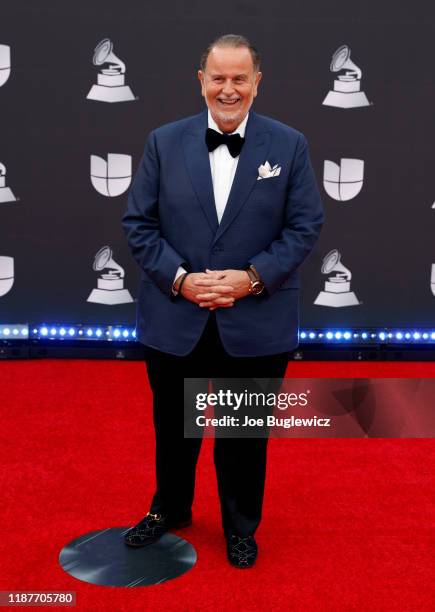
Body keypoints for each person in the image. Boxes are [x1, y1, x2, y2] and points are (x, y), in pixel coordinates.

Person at [122, 34, 323, 568]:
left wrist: (251, 280)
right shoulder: (163, 142)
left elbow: (304, 227)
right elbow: (139, 225)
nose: (228, 89)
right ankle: (169, 509)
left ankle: (240, 526)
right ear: (201, 80)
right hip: (174, 315)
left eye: (239, 79)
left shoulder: (290, 144)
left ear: (258, 82)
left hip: (254, 318)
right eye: (218, 78)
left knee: (243, 435)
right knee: (173, 427)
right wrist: (181, 280)